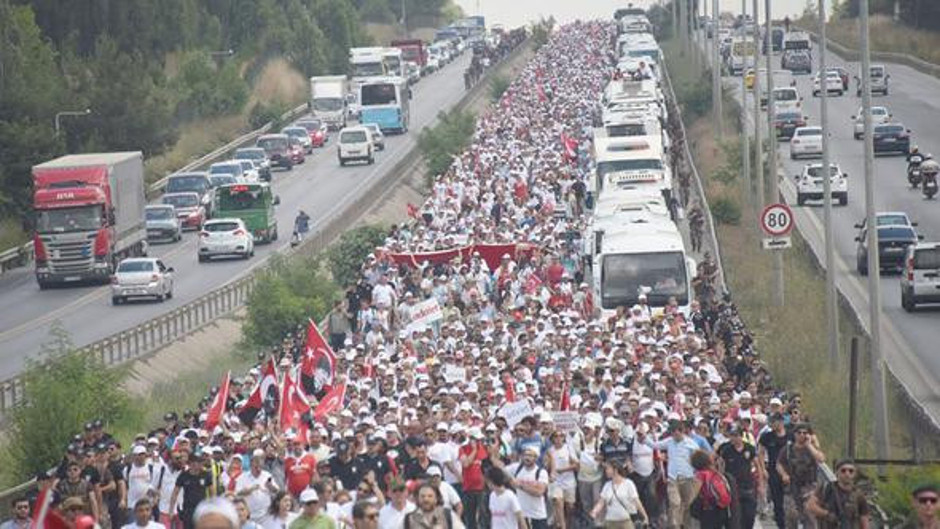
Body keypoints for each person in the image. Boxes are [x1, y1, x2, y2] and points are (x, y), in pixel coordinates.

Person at [777, 423, 826, 529]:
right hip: (792, 486)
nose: (802, 435)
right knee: (791, 515)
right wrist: (784, 474)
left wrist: (809, 445)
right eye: (799, 433)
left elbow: (821, 459)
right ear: (795, 434)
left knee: (810, 516)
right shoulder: (788, 449)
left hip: (809, 487)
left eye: (805, 433)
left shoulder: (812, 449)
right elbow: (779, 464)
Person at [653, 422, 699, 529]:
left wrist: (696, 471)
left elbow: (698, 457)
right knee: (675, 503)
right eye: (673, 433)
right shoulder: (669, 442)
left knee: (688, 505)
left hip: (688, 478)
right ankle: (674, 525)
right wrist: (644, 439)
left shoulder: (691, 443)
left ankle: (686, 525)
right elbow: (656, 445)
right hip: (673, 478)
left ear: (682, 431)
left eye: (677, 432)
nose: (675, 435)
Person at [716, 424, 763, 529]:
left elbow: (757, 465)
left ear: (741, 436)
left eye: (736, 435)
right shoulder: (726, 449)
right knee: (735, 517)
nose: (733, 438)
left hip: (748, 486)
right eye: (731, 435)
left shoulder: (749, 448)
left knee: (749, 515)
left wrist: (760, 484)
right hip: (732, 487)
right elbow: (720, 465)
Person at [806, 460, 869, 529]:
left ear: (854, 474)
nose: (847, 474)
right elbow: (810, 505)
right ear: (837, 473)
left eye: (851, 471)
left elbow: (864, 521)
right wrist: (826, 514)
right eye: (843, 470)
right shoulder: (826, 488)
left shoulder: (859, 495)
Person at [590, 461, 648, 529]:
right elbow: (601, 502)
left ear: (615, 470)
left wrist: (645, 516)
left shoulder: (628, 484)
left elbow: (637, 501)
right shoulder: (607, 485)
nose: (606, 471)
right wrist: (595, 511)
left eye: (608, 469)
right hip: (610, 521)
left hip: (626, 521)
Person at [504, 446, 548, 529]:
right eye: (525, 455)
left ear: (536, 458)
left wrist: (520, 485)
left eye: (530, 455)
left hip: (537, 515)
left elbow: (539, 492)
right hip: (522, 514)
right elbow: (501, 469)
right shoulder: (517, 468)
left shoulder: (541, 472)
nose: (527, 457)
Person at [759, 414, 790, 528]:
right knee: (777, 501)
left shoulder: (790, 435)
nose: (772, 424)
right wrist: (763, 469)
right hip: (773, 471)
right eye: (771, 422)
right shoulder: (767, 436)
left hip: (789, 471)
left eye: (774, 422)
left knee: (790, 502)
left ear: (781, 422)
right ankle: (781, 524)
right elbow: (761, 453)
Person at [236, 450, 280, 526]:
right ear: (251, 466)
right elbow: (237, 493)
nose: (258, 469)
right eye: (256, 467)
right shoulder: (242, 477)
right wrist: (249, 490)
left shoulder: (267, 475)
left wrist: (270, 487)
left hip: (265, 515)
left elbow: (277, 491)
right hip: (249, 515)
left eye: (260, 467)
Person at [690, 450, 732, 529]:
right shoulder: (714, 471)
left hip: (708, 509)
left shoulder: (701, 474)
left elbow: (694, 492)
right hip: (721, 508)